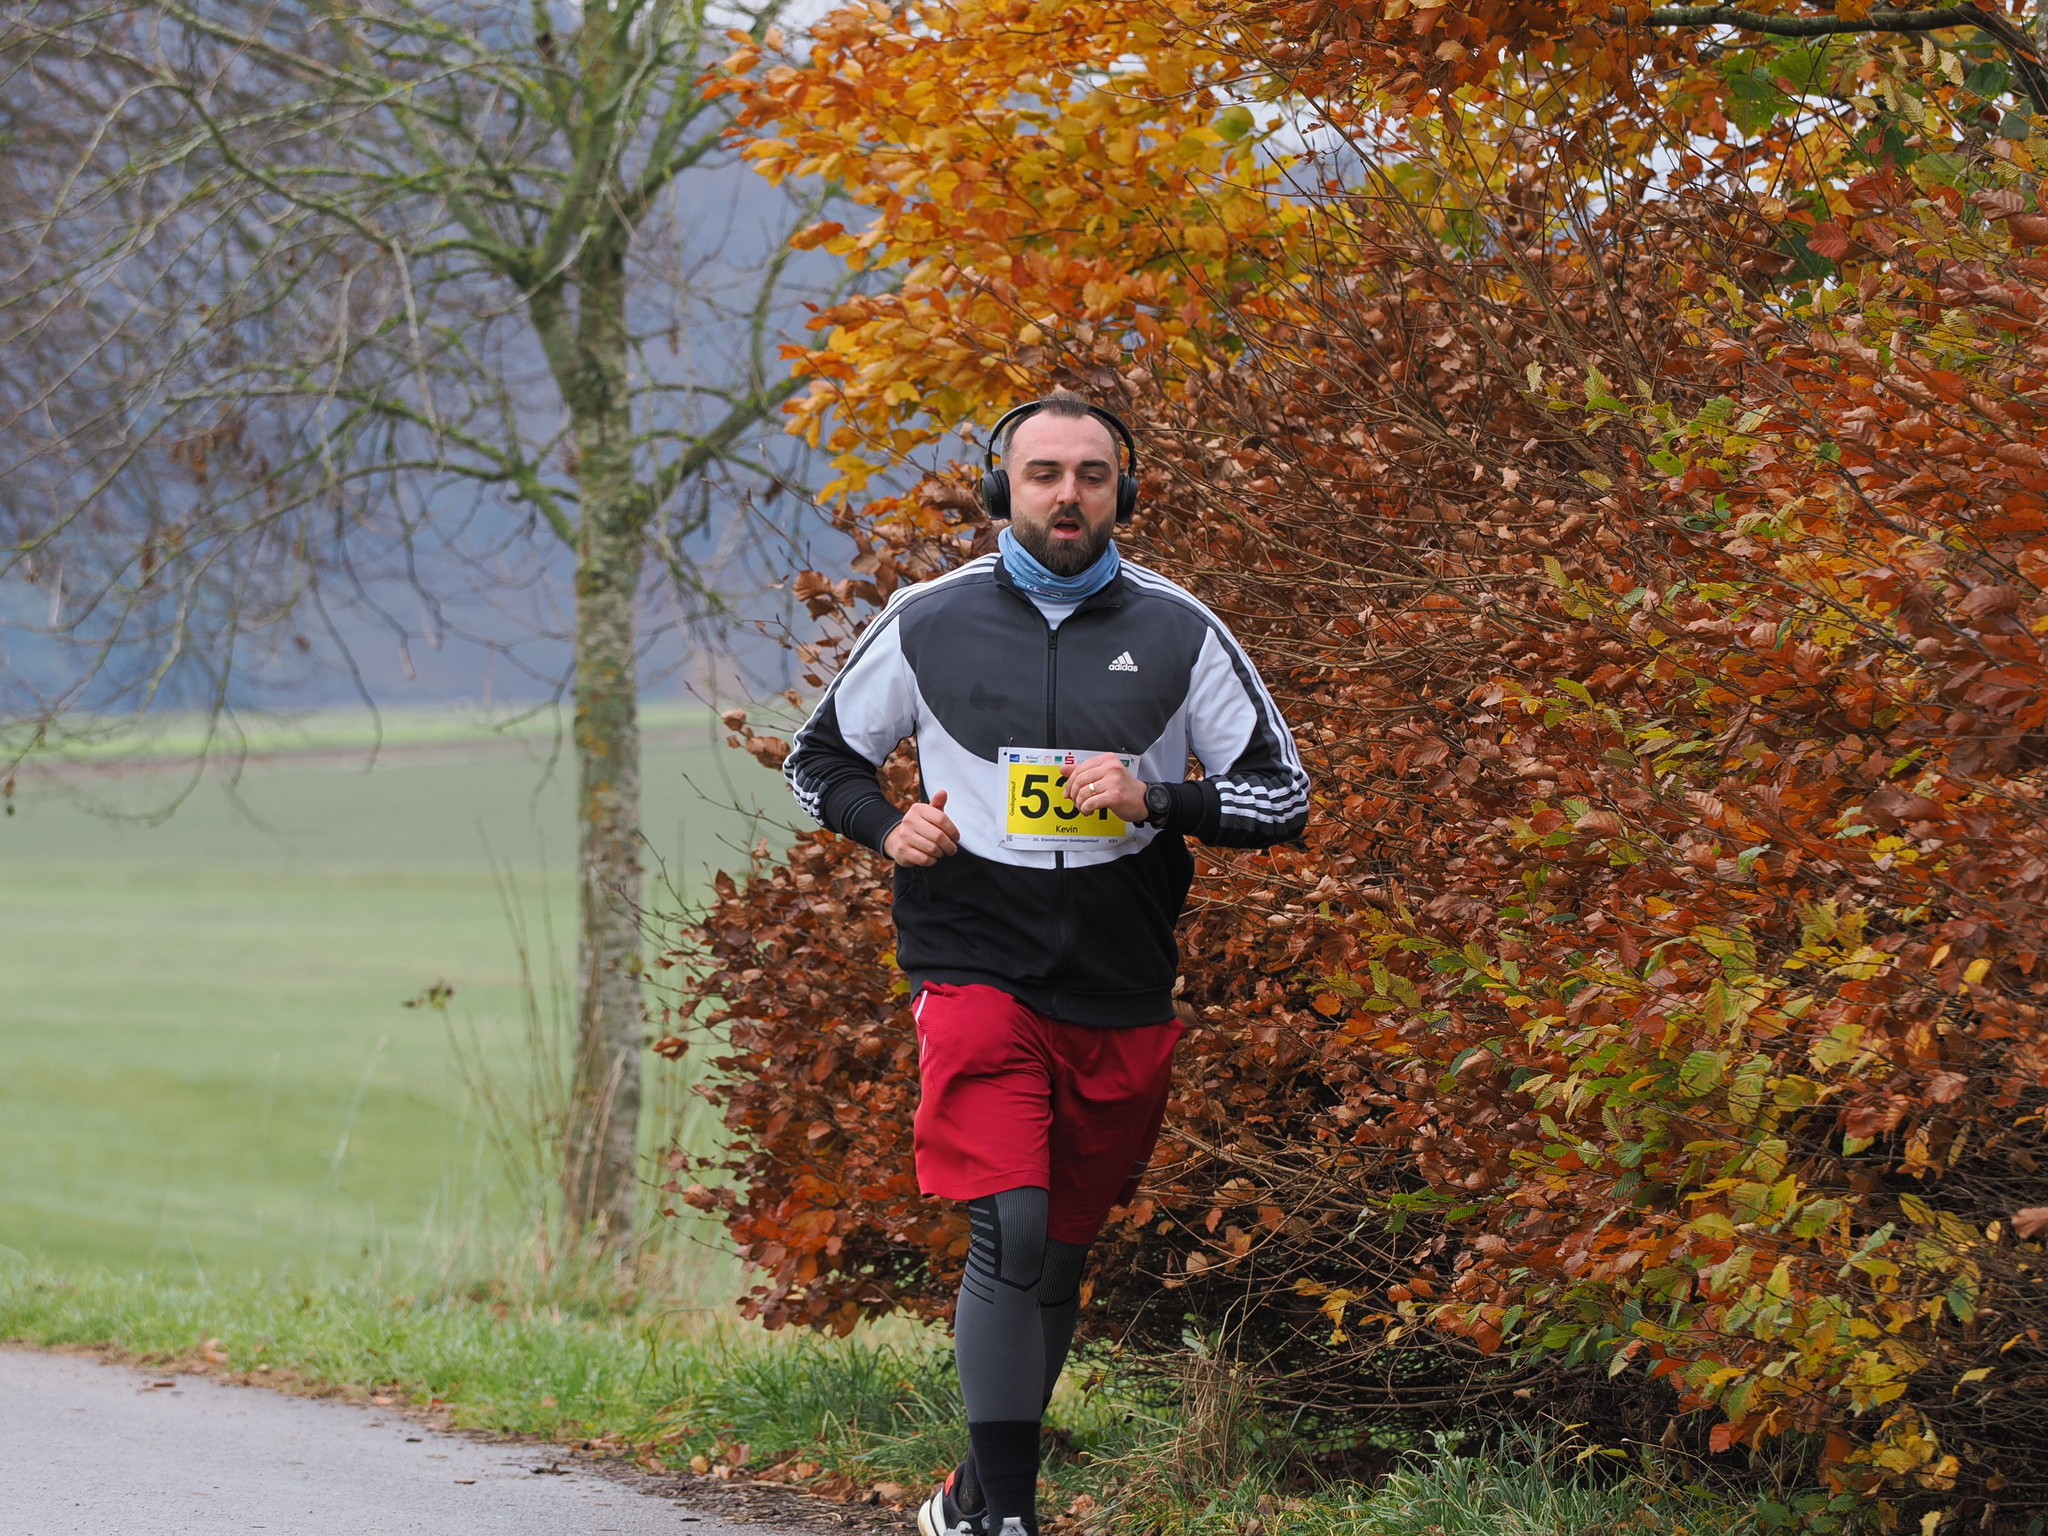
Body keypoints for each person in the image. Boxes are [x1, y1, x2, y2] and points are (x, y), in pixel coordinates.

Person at [782, 394, 1310, 1536]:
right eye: (1042, 473)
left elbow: (1283, 799)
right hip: (971, 957)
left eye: (1090, 474)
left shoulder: (1180, 628)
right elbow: (816, 759)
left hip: (1121, 978)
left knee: (1060, 1253)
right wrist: (887, 827)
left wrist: (1158, 799)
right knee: (1011, 1226)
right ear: (1000, 489)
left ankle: (976, 1492)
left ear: (1123, 491)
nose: (1067, 494)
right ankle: (1009, 1520)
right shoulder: (930, 617)